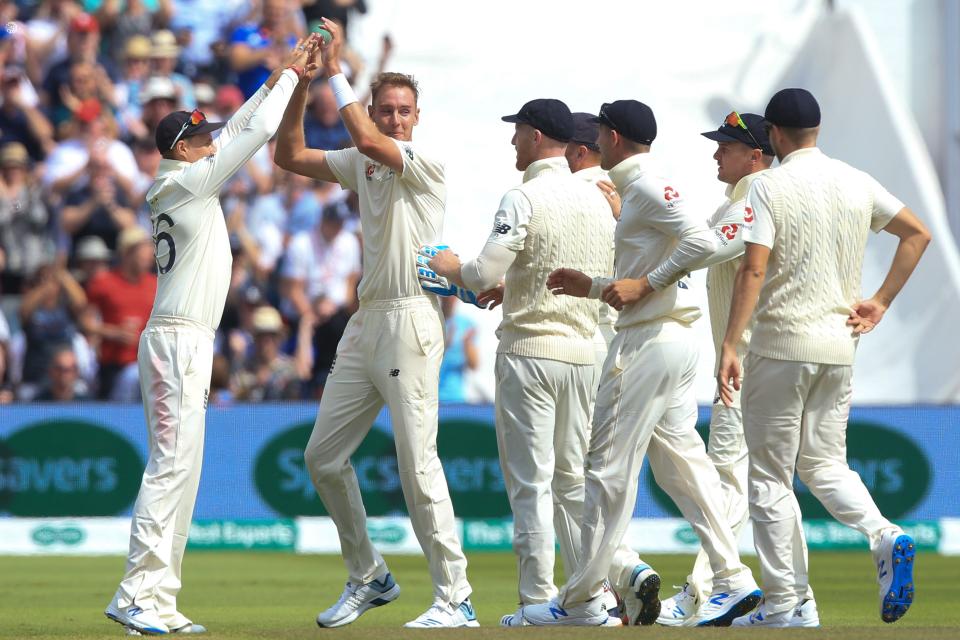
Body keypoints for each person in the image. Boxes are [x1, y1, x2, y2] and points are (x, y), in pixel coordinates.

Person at [104, 36, 318, 635]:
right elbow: (251, 137)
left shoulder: (190, 176)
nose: (212, 143)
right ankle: (134, 592)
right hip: (175, 338)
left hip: (191, 340)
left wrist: (281, 74)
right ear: (181, 148)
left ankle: (161, 598)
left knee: (186, 471)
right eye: (203, 138)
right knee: (170, 466)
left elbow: (240, 126)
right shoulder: (181, 184)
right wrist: (288, 84)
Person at [526, 100, 761, 626]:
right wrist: (589, 285)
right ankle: (732, 576)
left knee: (606, 473)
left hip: (646, 344)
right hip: (673, 338)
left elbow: (696, 244)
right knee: (684, 469)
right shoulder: (641, 189)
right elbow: (658, 266)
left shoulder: (647, 187)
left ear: (611, 138)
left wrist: (645, 284)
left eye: (600, 133)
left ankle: (581, 601)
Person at [274, 19, 477, 628]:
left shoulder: (424, 161)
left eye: (403, 111)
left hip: (412, 319)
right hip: (367, 322)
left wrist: (335, 67)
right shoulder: (362, 162)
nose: (394, 120)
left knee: (419, 465)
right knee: (322, 458)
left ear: (417, 117)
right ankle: (369, 575)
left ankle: (455, 597)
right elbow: (287, 155)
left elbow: (365, 142)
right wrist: (303, 87)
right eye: (385, 110)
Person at [718, 88, 930, 627]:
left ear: (774, 135)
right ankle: (885, 533)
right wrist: (879, 301)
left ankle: (786, 604)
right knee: (823, 464)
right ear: (816, 130)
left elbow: (754, 268)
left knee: (768, 477)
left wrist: (729, 343)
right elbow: (917, 234)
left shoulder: (767, 184)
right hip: (839, 348)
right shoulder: (855, 180)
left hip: (781, 346)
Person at [427, 98, 625, 626]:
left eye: (517, 133)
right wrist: (509, 281)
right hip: (588, 355)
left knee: (532, 484)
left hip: (531, 352)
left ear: (536, 137)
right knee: (572, 483)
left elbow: (484, 268)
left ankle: (537, 600)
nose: (512, 141)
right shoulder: (598, 198)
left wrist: (451, 267)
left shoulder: (524, 195)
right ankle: (586, 599)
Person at [654, 111, 786, 625]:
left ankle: (707, 587)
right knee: (748, 479)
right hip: (757, 358)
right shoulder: (739, 199)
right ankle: (783, 597)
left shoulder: (754, 197)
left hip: (747, 361)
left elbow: (705, 248)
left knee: (728, 476)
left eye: (726, 147)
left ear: (754, 155)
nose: (716, 154)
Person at [82, 226, 158, 399]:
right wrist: (114, 332)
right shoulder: (103, 283)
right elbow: (86, 322)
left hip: (150, 366)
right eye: (143, 252)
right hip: (114, 367)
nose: (149, 257)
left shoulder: (156, 285)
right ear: (127, 253)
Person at [437, 296, 478, 404]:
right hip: (430, 396)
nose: (449, 299)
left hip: (455, 397)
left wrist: (467, 344)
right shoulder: (431, 322)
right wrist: (444, 346)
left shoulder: (466, 324)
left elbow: (474, 365)